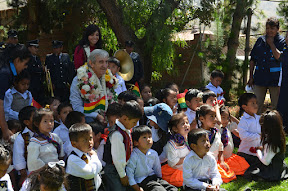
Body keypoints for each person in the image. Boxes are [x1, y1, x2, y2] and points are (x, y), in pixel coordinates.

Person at [247, 17, 285, 113]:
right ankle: (255, 126)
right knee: (256, 105)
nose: (269, 31)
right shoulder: (260, 40)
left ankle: (276, 127)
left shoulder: (282, 41)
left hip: (275, 80)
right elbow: (252, 60)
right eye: (267, 28)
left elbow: (279, 57)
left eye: (272, 28)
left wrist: (271, 44)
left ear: (277, 29)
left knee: (276, 107)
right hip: (259, 78)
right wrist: (251, 77)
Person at [70, 49, 118, 124]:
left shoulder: (109, 78)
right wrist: (96, 115)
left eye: (106, 62)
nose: (105, 66)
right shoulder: (80, 79)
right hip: (88, 122)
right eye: (101, 62)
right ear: (91, 63)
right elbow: (76, 107)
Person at [103, 101, 142, 191]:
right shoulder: (117, 134)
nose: (135, 124)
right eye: (134, 122)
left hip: (121, 168)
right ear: (125, 118)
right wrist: (122, 175)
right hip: (114, 170)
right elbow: (117, 158)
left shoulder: (125, 130)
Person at [126, 125, 178, 191]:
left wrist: (160, 180)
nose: (148, 139)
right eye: (144, 137)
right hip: (142, 180)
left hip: (154, 178)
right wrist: (136, 187)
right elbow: (129, 173)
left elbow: (157, 169)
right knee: (159, 189)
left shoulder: (153, 153)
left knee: (172, 189)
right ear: (136, 143)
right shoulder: (133, 155)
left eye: (150, 137)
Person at [244, 110, 288, 181]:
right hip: (279, 167)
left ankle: (265, 177)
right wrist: (262, 148)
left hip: (272, 171)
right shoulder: (279, 138)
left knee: (251, 172)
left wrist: (258, 152)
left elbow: (266, 162)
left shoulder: (270, 144)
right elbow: (273, 152)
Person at [0, 44, 31, 141]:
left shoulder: (7, 71)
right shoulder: (5, 74)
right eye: (25, 64)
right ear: (17, 60)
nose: (25, 67)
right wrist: (5, 129)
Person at [66, 123, 103, 191]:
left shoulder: (87, 154)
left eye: (90, 138)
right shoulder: (72, 159)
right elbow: (90, 173)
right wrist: (95, 156)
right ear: (74, 144)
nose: (90, 142)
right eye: (85, 140)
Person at [161, 113, 191, 187]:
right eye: (182, 124)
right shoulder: (172, 144)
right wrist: (189, 157)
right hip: (176, 169)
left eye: (187, 122)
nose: (186, 125)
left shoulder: (190, 138)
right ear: (175, 129)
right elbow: (172, 162)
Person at [13, 106, 36, 186]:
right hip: (28, 174)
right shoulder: (21, 138)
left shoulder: (45, 134)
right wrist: (24, 175)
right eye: (35, 117)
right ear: (27, 122)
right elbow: (18, 158)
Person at [237, 93, 261, 166]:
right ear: (244, 107)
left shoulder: (259, 118)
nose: (256, 105)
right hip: (246, 152)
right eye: (253, 103)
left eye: (256, 103)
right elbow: (243, 136)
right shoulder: (244, 120)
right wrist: (258, 136)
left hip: (258, 152)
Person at [26, 39, 46, 106]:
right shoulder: (27, 58)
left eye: (37, 47)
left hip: (38, 85)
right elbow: (30, 70)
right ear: (29, 48)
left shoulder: (37, 58)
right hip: (31, 85)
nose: (36, 49)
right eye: (35, 47)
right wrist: (41, 69)